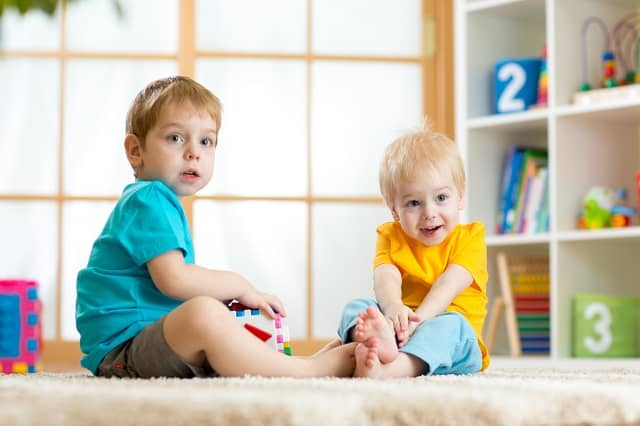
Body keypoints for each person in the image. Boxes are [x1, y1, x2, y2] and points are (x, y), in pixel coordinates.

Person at [76, 76, 355, 379]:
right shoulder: (149, 198)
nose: (194, 152)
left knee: (215, 311)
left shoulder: (153, 202)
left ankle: (292, 363)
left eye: (206, 141)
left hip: (142, 339)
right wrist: (240, 285)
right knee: (204, 312)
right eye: (175, 138)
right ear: (136, 151)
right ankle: (305, 370)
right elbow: (174, 279)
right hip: (123, 350)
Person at [336, 123, 489, 378]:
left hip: (453, 338)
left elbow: (447, 286)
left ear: (460, 197)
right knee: (358, 307)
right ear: (395, 210)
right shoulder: (389, 235)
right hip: (399, 327)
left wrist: (417, 321)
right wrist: (394, 308)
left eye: (441, 198)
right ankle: (374, 343)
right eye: (414, 203)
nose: (429, 213)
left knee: (452, 325)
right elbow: (385, 277)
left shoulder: (471, 237)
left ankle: (394, 367)